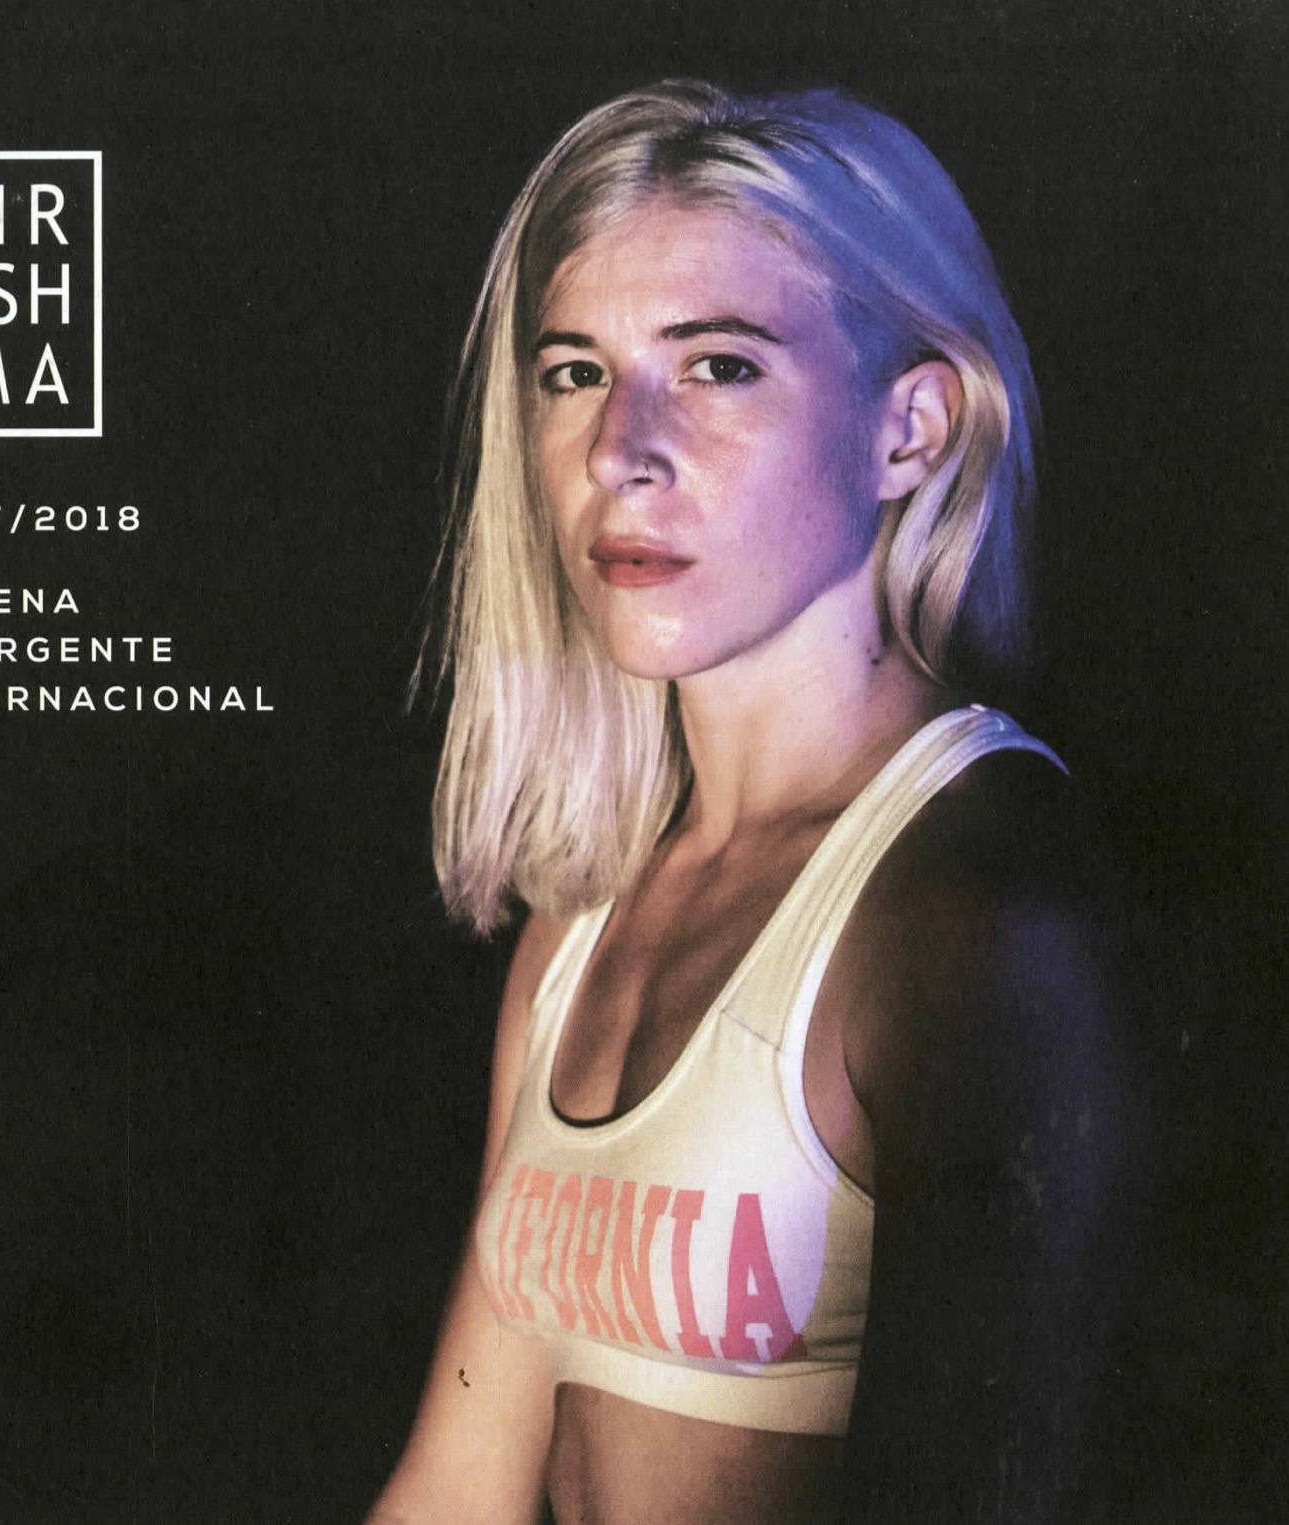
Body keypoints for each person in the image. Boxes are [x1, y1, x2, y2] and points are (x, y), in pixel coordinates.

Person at [369, 81, 1143, 1525]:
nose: (620, 449)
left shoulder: (970, 907)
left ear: (911, 430)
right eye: (574, 373)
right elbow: (457, 1489)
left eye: (718, 366)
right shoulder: (582, 923)